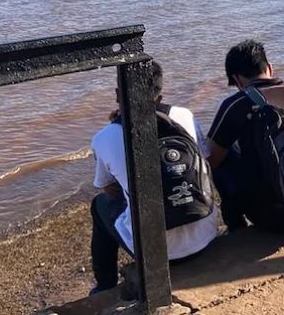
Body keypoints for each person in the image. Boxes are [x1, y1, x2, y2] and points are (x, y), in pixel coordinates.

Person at [89, 61, 219, 295]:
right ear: (160, 95)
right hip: (206, 235)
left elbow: (110, 191)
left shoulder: (105, 136)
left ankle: (105, 285)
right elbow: (205, 160)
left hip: (157, 254)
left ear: (118, 94)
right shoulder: (184, 115)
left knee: (99, 206)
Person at [207, 40, 284, 231]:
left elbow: (213, 159)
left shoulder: (235, 104)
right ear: (269, 68)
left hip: (272, 215)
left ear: (237, 80)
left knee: (221, 155)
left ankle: (237, 228)